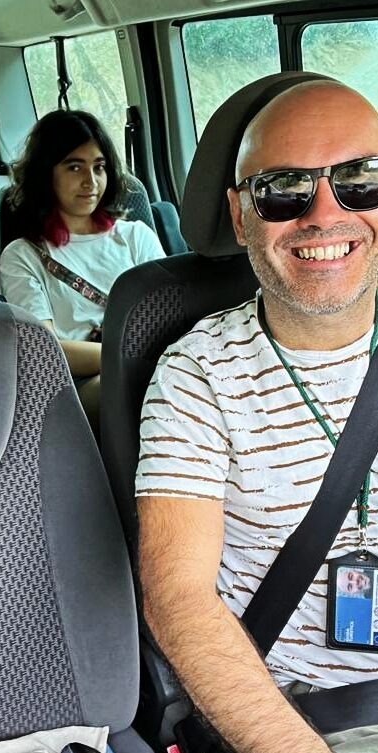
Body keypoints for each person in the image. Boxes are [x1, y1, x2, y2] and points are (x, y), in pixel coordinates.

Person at [136, 79, 378, 753]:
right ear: (241, 217)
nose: (324, 214)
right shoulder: (198, 374)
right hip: (310, 719)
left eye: (360, 179)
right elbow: (178, 597)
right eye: (282, 188)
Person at [0, 109, 164, 429]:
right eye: (74, 167)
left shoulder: (135, 237)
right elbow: (45, 350)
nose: (90, 181)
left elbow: (167, 318)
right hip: (75, 385)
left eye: (98, 167)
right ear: (46, 174)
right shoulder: (23, 256)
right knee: (131, 386)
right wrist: (133, 357)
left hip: (149, 365)